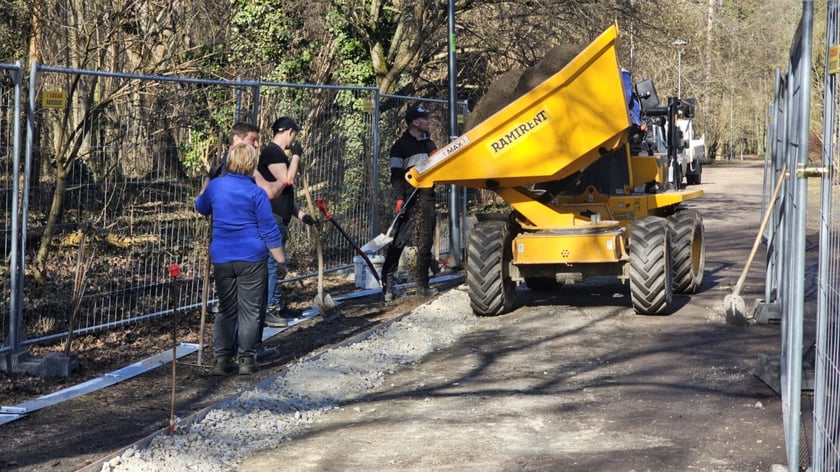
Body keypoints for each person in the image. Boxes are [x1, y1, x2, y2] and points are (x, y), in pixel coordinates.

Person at [195, 143, 286, 376]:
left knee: (226, 308)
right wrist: (280, 259)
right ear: (251, 165)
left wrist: (208, 181)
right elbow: (268, 229)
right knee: (250, 309)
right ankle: (246, 358)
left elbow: (200, 206)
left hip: (223, 257)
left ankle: (221, 359)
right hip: (251, 257)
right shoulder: (256, 192)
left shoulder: (216, 187)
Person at [257, 116, 317, 326]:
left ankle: (276, 304)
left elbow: (284, 195)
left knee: (276, 266)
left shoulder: (279, 155)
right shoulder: (272, 153)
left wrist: (301, 215)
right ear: (289, 132)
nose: (295, 140)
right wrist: (297, 157)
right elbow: (287, 180)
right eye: (295, 134)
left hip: (280, 217)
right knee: (273, 265)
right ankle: (270, 308)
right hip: (271, 218)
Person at [381, 104, 439, 302]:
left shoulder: (429, 144)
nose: (428, 122)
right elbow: (395, 176)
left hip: (427, 197)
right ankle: (387, 284)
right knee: (399, 241)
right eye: (425, 119)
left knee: (426, 241)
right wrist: (399, 197)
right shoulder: (399, 147)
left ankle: (422, 286)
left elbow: (439, 164)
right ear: (415, 122)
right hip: (408, 199)